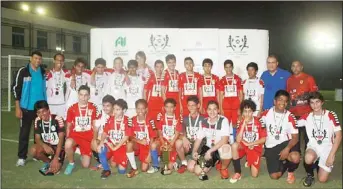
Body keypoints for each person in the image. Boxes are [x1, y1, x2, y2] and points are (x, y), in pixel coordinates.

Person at [297, 92, 342, 187]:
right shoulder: (306, 117)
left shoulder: (331, 115)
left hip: (327, 149)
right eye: (312, 102)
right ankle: (310, 175)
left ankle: (319, 162)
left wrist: (331, 155)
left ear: (322, 102)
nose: (315, 105)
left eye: (317, 102)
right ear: (309, 104)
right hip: (313, 147)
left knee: (322, 180)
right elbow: (292, 123)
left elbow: (338, 136)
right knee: (308, 158)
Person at [12, 51, 47, 166]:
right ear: (31, 58)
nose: (38, 61)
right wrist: (18, 107)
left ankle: (38, 153)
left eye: (39, 59)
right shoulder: (23, 71)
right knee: (24, 133)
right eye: (36, 58)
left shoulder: (42, 71)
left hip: (40, 109)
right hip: (26, 108)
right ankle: (22, 157)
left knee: (39, 133)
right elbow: (16, 88)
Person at [259, 90, 300, 184]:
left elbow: (295, 138)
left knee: (295, 157)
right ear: (274, 101)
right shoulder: (265, 114)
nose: (282, 103)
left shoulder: (290, 117)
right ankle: (284, 163)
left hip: (286, 143)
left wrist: (287, 149)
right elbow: (258, 128)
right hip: (271, 147)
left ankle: (290, 171)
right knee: (274, 176)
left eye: (285, 101)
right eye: (280, 100)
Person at [191, 100, 234, 180]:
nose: (212, 111)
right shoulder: (203, 122)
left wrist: (210, 152)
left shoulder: (223, 120)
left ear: (218, 110)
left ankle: (223, 168)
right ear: (206, 110)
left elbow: (224, 140)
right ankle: (215, 162)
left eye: (214, 109)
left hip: (220, 147)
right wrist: (194, 151)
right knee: (197, 171)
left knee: (227, 148)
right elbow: (198, 139)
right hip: (208, 147)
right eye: (210, 109)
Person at [64, 85, 100, 175]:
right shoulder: (72, 108)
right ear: (78, 95)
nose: (83, 98)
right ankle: (71, 163)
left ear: (89, 96)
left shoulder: (93, 107)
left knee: (86, 165)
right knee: (68, 144)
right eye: (81, 95)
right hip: (75, 135)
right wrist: (67, 141)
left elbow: (95, 125)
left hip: (87, 137)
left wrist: (94, 140)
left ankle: (83, 154)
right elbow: (68, 126)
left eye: (86, 95)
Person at [229, 99, 267, 183]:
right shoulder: (240, 121)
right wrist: (243, 125)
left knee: (254, 175)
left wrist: (252, 143)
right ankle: (238, 172)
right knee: (234, 145)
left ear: (253, 111)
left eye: (249, 111)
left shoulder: (259, 121)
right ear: (242, 112)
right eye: (245, 111)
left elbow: (264, 139)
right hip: (244, 145)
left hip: (255, 147)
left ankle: (250, 159)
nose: (247, 114)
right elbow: (238, 139)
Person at [287, 60, 318, 156]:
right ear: (291, 68)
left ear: (301, 67)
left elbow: (315, 95)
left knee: (308, 137)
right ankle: (296, 155)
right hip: (294, 113)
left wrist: (304, 96)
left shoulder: (308, 78)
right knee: (295, 137)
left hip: (307, 114)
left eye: (297, 66)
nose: (295, 68)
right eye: (293, 66)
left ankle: (308, 156)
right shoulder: (289, 79)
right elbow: (289, 94)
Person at [97, 99, 132, 179]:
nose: (115, 111)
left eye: (118, 109)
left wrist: (116, 147)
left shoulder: (128, 120)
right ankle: (106, 170)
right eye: (114, 109)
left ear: (124, 110)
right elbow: (105, 132)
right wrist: (102, 142)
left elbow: (126, 136)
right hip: (111, 144)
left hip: (121, 146)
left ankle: (119, 158)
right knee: (100, 149)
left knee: (121, 171)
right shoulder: (110, 119)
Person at [30, 100, 65, 175]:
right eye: (38, 112)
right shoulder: (37, 120)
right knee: (33, 150)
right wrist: (44, 146)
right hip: (47, 146)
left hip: (58, 147)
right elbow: (37, 138)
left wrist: (56, 157)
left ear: (48, 110)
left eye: (43, 111)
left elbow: (61, 139)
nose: (42, 114)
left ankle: (56, 161)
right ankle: (49, 162)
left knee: (55, 170)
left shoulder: (57, 119)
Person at [126, 99, 159, 177]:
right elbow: (129, 136)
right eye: (138, 108)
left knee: (144, 169)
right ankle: (134, 168)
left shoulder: (150, 120)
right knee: (129, 144)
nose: (140, 110)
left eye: (142, 108)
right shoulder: (131, 120)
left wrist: (149, 154)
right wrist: (139, 141)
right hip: (137, 144)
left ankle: (154, 157)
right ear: (136, 109)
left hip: (147, 145)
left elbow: (153, 137)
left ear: (146, 109)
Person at [176, 96, 206, 174]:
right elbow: (178, 134)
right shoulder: (184, 118)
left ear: (198, 106)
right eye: (189, 105)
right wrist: (184, 138)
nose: (191, 107)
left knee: (192, 168)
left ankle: (195, 160)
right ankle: (183, 162)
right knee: (178, 142)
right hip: (188, 145)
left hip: (200, 146)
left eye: (193, 105)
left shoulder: (204, 119)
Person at [156, 98, 182, 175]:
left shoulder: (178, 117)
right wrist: (163, 142)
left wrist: (171, 143)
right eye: (167, 107)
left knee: (169, 167)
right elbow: (159, 132)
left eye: (171, 107)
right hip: (163, 140)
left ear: (175, 108)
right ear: (164, 107)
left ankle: (172, 162)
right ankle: (159, 158)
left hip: (173, 140)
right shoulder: (160, 117)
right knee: (158, 145)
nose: (169, 109)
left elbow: (177, 132)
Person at [219, 59, 243, 141]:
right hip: (226, 106)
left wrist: (240, 107)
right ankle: (225, 141)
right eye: (226, 67)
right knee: (225, 124)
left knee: (235, 124)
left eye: (230, 67)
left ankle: (236, 141)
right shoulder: (222, 80)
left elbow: (241, 94)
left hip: (236, 106)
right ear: (224, 68)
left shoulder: (237, 78)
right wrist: (220, 108)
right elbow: (220, 95)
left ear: (232, 67)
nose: (228, 69)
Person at [90, 95, 116, 171]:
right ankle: (101, 161)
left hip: (115, 141)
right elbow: (95, 130)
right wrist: (94, 140)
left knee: (113, 165)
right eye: (104, 106)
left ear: (113, 106)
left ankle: (111, 156)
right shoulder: (100, 115)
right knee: (93, 142)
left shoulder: (118, 114)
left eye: (108, 106)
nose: (105, 108)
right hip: (104, 140)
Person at [46, 53, 70, 119]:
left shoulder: (66, 73)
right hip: (50, 104)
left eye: (61, 60)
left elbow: (77, 71)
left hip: (62, 104)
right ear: (54, 61)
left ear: (63, 62)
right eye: (57, 60)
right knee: (51, 125)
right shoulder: (47, 73)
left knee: (61, 125)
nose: (59, 62)